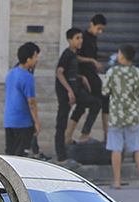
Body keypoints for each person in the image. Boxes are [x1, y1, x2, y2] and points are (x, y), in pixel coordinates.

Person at [103, 44, 139, 189]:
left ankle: (117, 181)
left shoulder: (112, 72)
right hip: (133, 115)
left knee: (116, 148)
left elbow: (105, 90)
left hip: (116, 115)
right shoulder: (138, 73)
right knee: (138, 147)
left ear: (122, 56)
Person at [74, 14, 110, 143]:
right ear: (91, 24)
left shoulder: (94, 39)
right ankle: (85, 134)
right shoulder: (82, 38)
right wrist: (92, 61)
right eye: (98, 28)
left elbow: (93, 56)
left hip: (92, 74)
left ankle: (107, 135)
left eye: (102, 30)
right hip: (86, 76)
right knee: (97, 102)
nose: (100, 32)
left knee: (103, 101)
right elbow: (76, 57)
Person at [3, 42, 43, 159]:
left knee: (11, 156)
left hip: (9, 121)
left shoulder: (10, 74)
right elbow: (31, 102)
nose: (37, 60)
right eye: (35, 56)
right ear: (28, 59)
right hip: (23, 123)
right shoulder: (27, 77)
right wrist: (36, 122)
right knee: (21, 157)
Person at [53, 28, 87, 164]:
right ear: (69, 40)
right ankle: (61, 156)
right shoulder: (67, 54)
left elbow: (69, 72)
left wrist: (81, 77)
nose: (80, 41)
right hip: (64, 94)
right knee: (61, 123)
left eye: (81, 38)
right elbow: (59, 72)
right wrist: (69, 91)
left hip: (71, 92)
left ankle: (67, 142)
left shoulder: (74, 55)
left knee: (84, 105)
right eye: (77, 38)